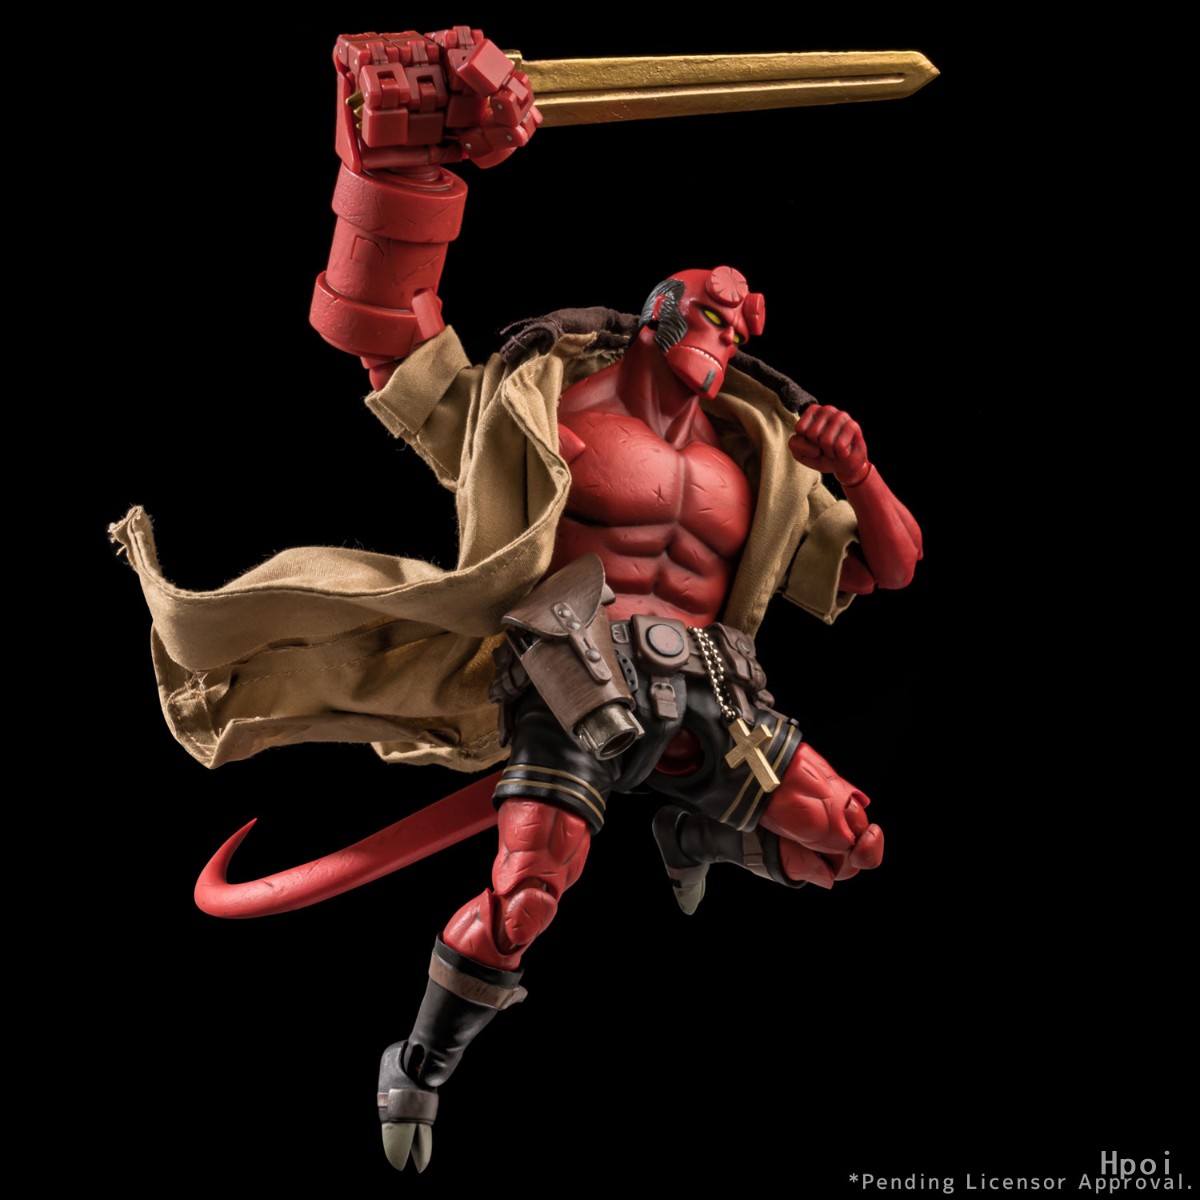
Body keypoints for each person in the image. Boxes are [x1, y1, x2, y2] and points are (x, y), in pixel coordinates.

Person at [111, 29, 923, 1174]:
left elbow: (885, 568)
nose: (736, 322)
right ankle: (418, 1065)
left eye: (748, 318)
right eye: (716, 303)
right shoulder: (537, 408)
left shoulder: (758, 465)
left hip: (715, 691)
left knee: (850, 845)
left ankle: (696, 828)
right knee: (528, 897)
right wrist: (397, 167)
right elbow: (384, 333)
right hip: (571, 680)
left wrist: (861, 474)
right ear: (658, 308)